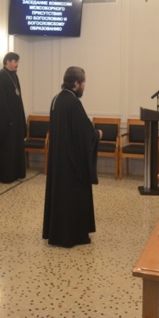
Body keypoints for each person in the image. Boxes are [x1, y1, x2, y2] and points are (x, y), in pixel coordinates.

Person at [42, 66, 101, 248]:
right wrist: (97, 134)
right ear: (76, 83)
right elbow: (84, 134)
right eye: (83, 83)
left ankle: (55, 232)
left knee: (59, 196)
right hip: (71, 164)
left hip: (58, 159)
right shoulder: (73, 102)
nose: (84, 86)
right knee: (72, 197)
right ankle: (72, 235)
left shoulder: (57, 100)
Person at [0, 52, 26, 183]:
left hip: (15, 121)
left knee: (15, 148)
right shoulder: (0, 76)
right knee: (7, 149)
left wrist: (21, 119)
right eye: (15, 61)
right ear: (8, 61)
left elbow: (18, 99)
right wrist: (8, 120)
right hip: (6, 122)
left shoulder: (14, 76)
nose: (17, 64)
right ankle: (4, 175)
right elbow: (1, 101)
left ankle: (16, 173)